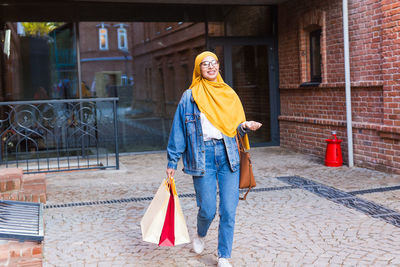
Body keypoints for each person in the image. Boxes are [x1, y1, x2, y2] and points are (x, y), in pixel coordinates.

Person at [166, 51, 262, 267]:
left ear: (219, 66)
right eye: (205, 64)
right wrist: (172, 161)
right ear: (198, 69)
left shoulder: (229, 94)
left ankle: (223, 256)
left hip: (228, 155)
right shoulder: (189, 97)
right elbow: (178, 131)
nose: (211, 67)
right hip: (202, 158)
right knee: (207, 209)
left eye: (214, 63)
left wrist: (245, 127)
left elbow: (235, 128)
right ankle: (200, 233)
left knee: (228, 209)